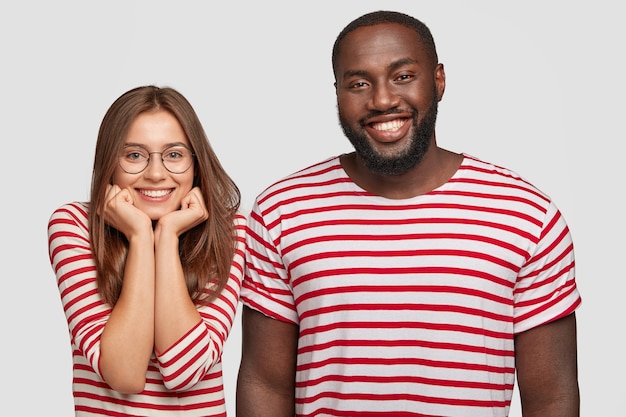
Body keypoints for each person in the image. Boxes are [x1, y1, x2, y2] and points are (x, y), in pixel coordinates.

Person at [236, 10, 581, 417]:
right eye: (359, 83)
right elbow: (263, 382)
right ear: (337, 93)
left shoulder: (526, 215)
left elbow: (553, 397)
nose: (382, 100)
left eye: (403, 76)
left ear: (438, 81)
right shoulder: (282, 211)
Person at [47, 85, 245, 416]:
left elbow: (185, 371)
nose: (155, 174)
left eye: (174, 154)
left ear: (196, 163)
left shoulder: (228, 232)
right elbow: (124, 374)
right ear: (110, 163)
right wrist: (140, 236)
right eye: (135, 155)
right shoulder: (75, 225)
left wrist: (166, 235)